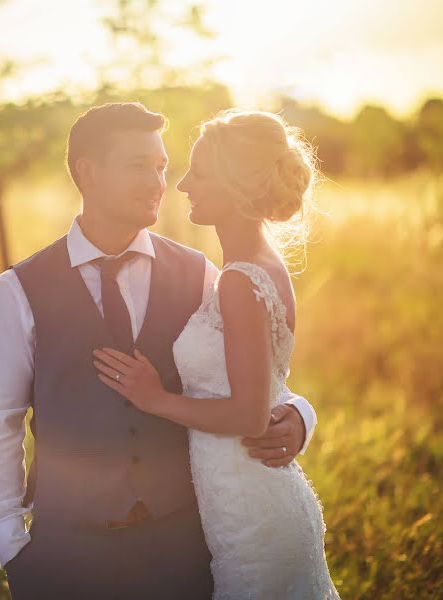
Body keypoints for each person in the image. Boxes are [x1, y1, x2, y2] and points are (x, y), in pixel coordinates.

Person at [0, 102, 318, 599]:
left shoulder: (202, 275)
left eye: (162, 166)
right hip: (67, 554)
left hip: (184, 549)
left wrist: (300, 417)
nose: (160, 182)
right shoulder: (17, 290)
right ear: (87, 173)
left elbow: (254, 375)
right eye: (138, 166)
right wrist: (14, 549)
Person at [93, 108, 340, 598]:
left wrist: (154, 398)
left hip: (252, 511)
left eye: (199, 172)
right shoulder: (249, 270)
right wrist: (298, 413)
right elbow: (270, 387)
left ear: (235, 184)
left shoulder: (239, 281)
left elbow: (250, 414)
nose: (182, 184)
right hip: (243, 503)